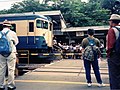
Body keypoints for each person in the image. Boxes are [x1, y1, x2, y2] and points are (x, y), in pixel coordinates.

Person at [0, 20, 19, 90]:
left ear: (3, 26)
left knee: (1, 69)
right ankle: (10, 85)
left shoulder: (0, 33)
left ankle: (1, 85)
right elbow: (16, 42)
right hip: (11, 53)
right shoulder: (12, 33)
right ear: (10, 27)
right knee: (11, 69)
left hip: (1, 53)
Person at [106, 14, 120, 89]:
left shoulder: (112, 30)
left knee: (114, 76)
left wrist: (108, 55)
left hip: (114, 56)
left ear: (111, 22)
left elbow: (110, 45)